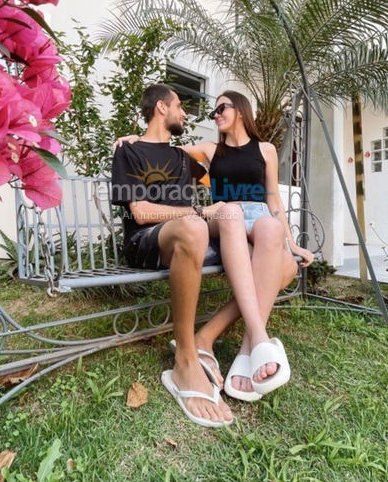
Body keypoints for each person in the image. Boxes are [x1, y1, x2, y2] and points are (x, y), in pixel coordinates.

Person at [113, 90, 314, 403]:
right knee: (279, 269)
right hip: (225, 220)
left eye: (222, 108)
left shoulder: (265, 149)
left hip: (259, 224)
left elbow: (273, 199)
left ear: (241, 110)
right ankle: (251, 343)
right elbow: (164, 148)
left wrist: (292, 242)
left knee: (279, 250)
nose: (215, 114)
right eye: (212, 111)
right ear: (163, 107)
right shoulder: (208, 150)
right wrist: (134, 138)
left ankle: (233, 341)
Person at [111, 83, 234, 429]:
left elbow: (222, 177)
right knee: (194, 226)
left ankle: (209, 337)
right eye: (179, 106)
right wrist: (195, 213)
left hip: (187, 231)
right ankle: (185, 359)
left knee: (233, 216)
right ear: (162, 108)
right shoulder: (129, 152)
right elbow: (140, 213)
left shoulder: (182, 157)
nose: (184, 113)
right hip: (146, 241)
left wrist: (220, 208)